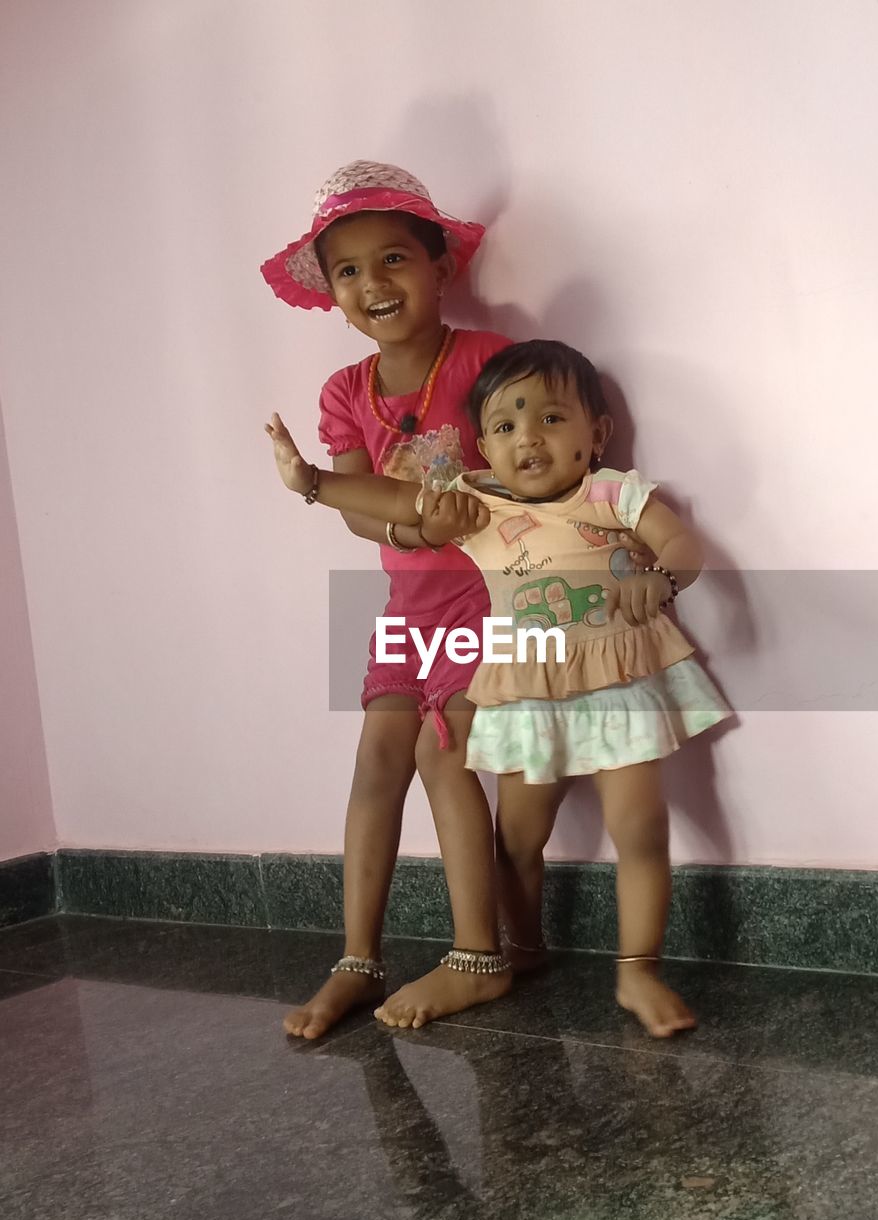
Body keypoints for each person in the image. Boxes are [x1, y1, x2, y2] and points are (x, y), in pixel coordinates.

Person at [267, 339, 731, 1036]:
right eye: (508, 427)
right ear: (483, 444)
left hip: (616, 683)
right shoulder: (476, 507)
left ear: (595, 433)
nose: (529, 438)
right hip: (524, 694)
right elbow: (392, 496)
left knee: (639, 827)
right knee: (517, 840)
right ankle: (524, 947)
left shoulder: (613, 494)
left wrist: (657, 579)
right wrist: (311, 481)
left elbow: (683, 546)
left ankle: (638, 970)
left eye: (551, 419)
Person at [262, 160, 515, 1035]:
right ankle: (357, 962)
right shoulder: (346, 392)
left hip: (494, 601)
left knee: (447, 753)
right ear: (332, 290)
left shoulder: (489, 361)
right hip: (409, 609)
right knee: (378, 762)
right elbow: (362, 507)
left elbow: (535, 470)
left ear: (441, 266)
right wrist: (381, 515)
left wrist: (456, 515)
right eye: (348, 269)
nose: (372, 282)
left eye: (394, 258)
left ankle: (479, 955)